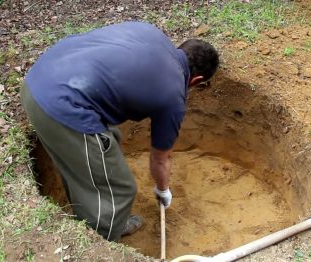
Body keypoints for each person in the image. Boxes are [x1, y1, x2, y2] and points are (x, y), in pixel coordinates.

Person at [21, 21, 219, 241]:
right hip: (61, 106)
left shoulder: (150, 32)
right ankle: (101, 240)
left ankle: (87, 216)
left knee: (106, 142)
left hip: (38, 80)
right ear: (197, 79)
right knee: (120, 189)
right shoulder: (173, 96)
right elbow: (160, 159)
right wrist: (163, 189)